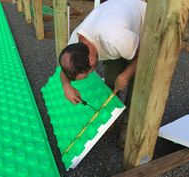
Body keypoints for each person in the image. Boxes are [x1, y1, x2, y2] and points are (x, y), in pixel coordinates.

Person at [59, 0, 146, 147]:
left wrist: (125, 75)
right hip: (116, 20)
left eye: (86, 75)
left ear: (92, 60)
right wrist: (66, 86)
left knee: (138, 85)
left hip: (144, 25)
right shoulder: (75, 44)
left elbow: (146, 52)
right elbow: (65, 69)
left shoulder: (114, 39)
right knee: (112, 81)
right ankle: (112, 116)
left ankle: (129, 125)